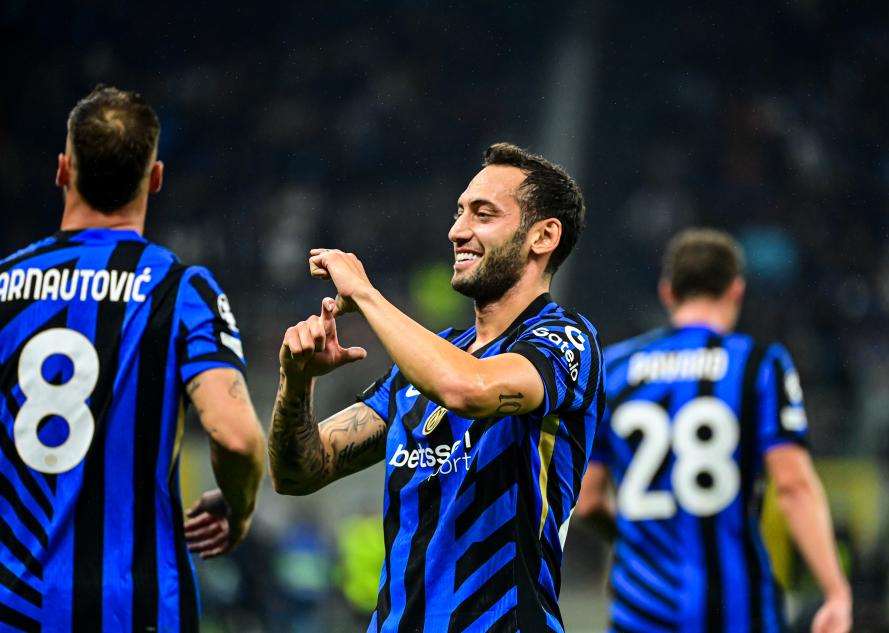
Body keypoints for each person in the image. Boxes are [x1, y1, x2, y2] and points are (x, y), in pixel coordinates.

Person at [269, 142, 605, 632]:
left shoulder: (565, 340)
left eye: (483, 214)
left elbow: (470, 390)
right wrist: (296, 382)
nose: (457, 230)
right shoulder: (428, 362)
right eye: (459, 213)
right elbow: (299, 473)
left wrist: (365, 294)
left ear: (543, 236)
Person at [0, 85, 265, 632]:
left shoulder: (4, 285)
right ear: (156, 178)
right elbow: (237, 438)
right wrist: (238, 508)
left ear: (62, 170)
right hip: (135, 608)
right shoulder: (180, 290)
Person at [575, 228, 852, 633]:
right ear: (736, 291)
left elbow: (587, 501)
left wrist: (637, 537)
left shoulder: (613, 369)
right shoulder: (759, 365)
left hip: (640, 609)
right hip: (735, 608)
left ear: (667, 292)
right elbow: (794, 487)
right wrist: (835, 591)